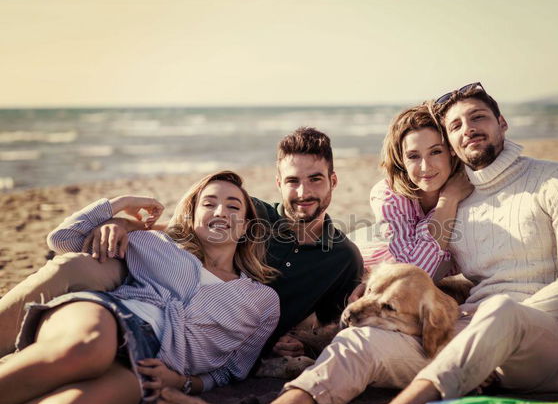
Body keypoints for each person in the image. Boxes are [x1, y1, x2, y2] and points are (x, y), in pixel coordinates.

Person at [156, 83, 558, 404]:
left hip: (549, 345)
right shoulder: (462, 203)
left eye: (479, 118)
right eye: (457, 124)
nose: (469, 130)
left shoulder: (557, 180)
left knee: (499, 310)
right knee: (360, 341)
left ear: (502, 123)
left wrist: (485, 324)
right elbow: (450, 273)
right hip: (468, 342)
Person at [0, 127, 363, 361]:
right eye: (293, 181)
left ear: (333, 180)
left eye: (315, 180)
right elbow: (177, 229)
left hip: (203, 336)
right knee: (68, 267)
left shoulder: (344, 257)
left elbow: (332, 325)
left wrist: (301, 340)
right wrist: (119, 221)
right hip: (162, 285)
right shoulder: (248, 211)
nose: (303, 193)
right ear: (278, 182)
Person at [0, 171, 280, 404]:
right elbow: (63, 240)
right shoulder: (157, 244)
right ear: (192, 217)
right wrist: (119, 205)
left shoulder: (262, 300)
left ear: (244, 227)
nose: (220, 212)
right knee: (88, 346)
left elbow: (231, 370)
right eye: (209, 204)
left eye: (233, 207)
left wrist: (181, 382)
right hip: (112, 313)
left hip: (149, 367)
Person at [350, 102, 473, 277]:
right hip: (362, 265)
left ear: (451, 151)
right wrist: (448, 199)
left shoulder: (470, 190)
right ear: (401, 160)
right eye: (413, 156)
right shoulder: (387, 195)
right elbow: (412, 272)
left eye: (435, 152)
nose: (425, 166)